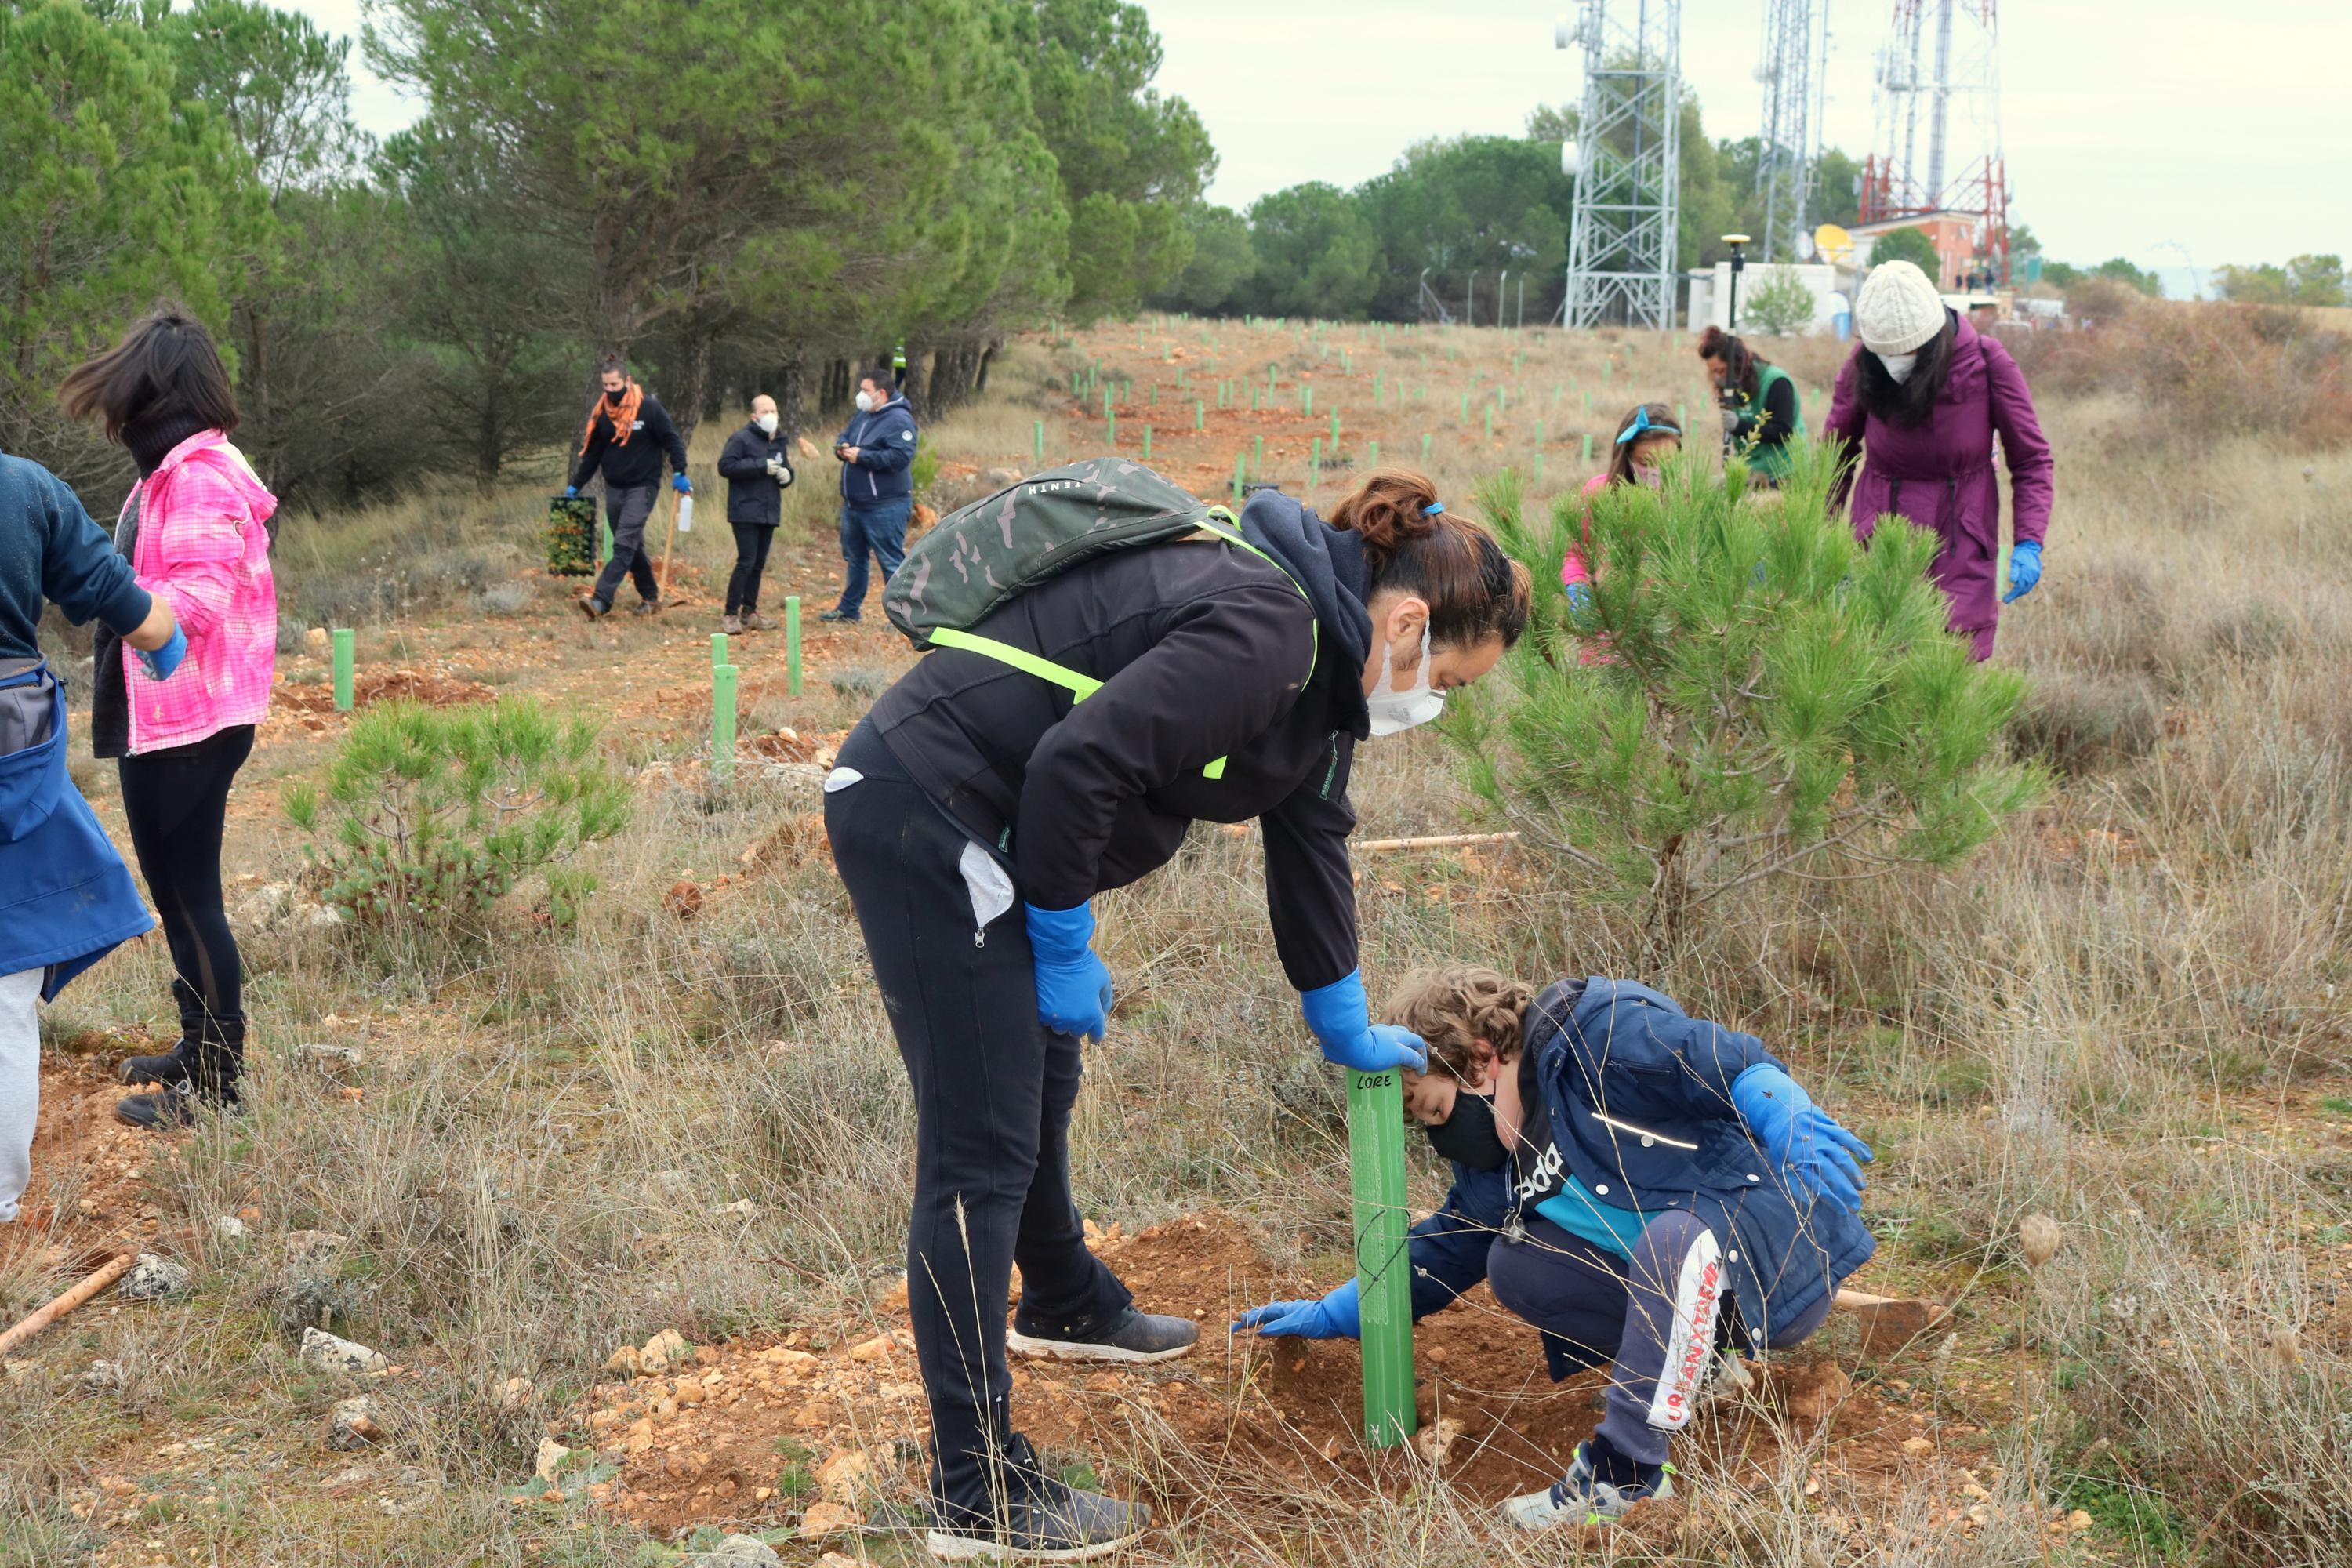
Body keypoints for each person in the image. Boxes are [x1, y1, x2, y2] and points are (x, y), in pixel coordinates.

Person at [824, 470, 1530, 1559]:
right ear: (1407, 621)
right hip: (924, 809)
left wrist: (1337, 1014)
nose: (1441, 700)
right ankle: (977, 1491)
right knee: (979, 1153)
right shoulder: (1270, 632)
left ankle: (1062, 1297)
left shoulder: (1323, 668)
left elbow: (1311, 839)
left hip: (990, 832)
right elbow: (1075, 767)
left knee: (1041, 1067)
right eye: (1454, 677)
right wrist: (1062, 942)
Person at [1235, 966, 1875, 1530]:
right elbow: (1443, 1253)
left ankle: (1624, 1476)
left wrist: (1776, 1102)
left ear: (1481, 1059)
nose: (1440, 1138)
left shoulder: (1589, 1037)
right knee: (1517, 1265)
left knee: (1674, 1237)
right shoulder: (1500, 1170)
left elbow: (1704, 1054)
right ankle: (1702, 1365)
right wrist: (1340, 1310)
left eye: (1433, 1111)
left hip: (1770, 1255)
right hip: (1700, 1293)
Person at [57, 309, 279, 1130]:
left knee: (193, 902)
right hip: (177, 717)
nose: (116, 422)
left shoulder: (196, 474)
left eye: (123, 402)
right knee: (181, 895)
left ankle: (218, 1087)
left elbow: (199, 603)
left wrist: (104, 586)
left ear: (153, 397)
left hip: (190, 720)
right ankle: (199, 1046)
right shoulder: (180, 466)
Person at [0, 448, 176, 1221]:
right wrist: (169, 635)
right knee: (3, 987)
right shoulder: (21, 485)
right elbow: (122, 600)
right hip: (10, 729)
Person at [1822, 260, 2055, 659]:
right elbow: (1835, 455)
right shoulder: (1864, 366)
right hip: (1880, 536)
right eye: (1886, 353)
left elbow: (2031, 459)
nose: (1895, 362)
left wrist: (2029, 541)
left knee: (1945, 671)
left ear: (1932, 338)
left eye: (1906, 352)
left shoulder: (1985, 363)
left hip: (1961, 537)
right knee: (1870, 663)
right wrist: (1816, 535)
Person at [566, 354, 691, 621]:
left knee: (623, 543)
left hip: (643, 486)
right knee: (632, 546)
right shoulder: (602, 415)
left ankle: (600, 601)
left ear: (627, 380)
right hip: (615, 487)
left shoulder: (649, 408)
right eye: (606, 386)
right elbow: (592, 456)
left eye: (615, 385)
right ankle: (650, 597)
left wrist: (680, 471)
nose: (610, 391)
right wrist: (575, 486)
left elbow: (672, 440)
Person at [1562, 403, 1683, 611]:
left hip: (1671, 626)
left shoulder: (1688, 500)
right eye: (1645, 462)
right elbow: (1577, 554)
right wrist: (1579, 592)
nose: (1655, 471)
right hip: (1610, 621)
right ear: (1626, 456)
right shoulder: (1599, 493)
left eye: (1665, 462)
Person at [821, 368, 917, 624]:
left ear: (881, 393)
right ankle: (849, 610)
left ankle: (904, 618)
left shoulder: (899, 420)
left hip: (886, 505)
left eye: (866, 391)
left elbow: (900, 457)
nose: (860, 395)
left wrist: (861, 456)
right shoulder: (863, 414)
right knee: (855, 559)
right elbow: (846, 435)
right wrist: (842, 447)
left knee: (891, 562)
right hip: (854, 504)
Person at [715, 394, 793, 634]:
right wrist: (760, 466)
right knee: (746, 561)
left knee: (758, 564)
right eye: (765, 411)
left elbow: (786, 468)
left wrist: (788, 476)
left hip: (769, 511)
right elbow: (725, 466)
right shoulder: (741, 439)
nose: (770, 415)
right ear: (754, 416)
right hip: (745, 510)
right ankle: (730, 614)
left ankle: (749, 611)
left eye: (773, 410)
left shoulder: (779, 441)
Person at [1697, 325, 1802, 485]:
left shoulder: (1776, 382)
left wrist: (1739, 426)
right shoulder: (1735, 388)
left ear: (1737, 364)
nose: (1717, 377)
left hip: (1783, 474)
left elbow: (1783, 431)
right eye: (1713, 372)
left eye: (1721, 370)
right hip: (1752, 469)